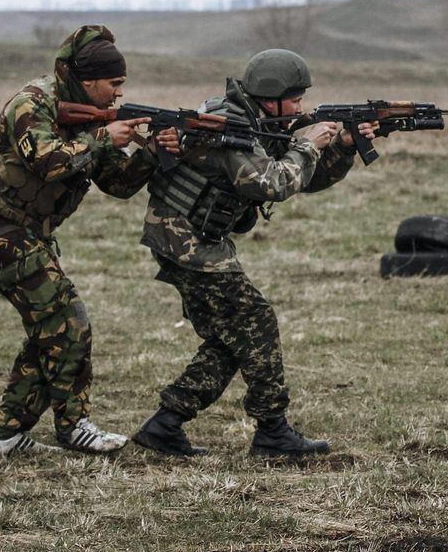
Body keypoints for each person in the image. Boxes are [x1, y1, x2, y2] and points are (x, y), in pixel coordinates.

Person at [132, 49, 376, 458]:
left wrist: (343, 148)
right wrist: (310, 144)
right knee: (256, 322)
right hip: (185, 240)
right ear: (271, 95)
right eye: (295, 99)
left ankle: (165, 424)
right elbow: (270, 184)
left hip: (195, 238)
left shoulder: (256, 120)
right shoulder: (230, 125)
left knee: (235, 336)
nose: (301, 107)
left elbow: (300, 180)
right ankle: (273, 432)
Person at [0, 25, 175, 456]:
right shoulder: (32, 104)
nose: (117, 95)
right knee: (69, 321)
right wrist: (99, 140)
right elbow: (48, 161)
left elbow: (117, 182)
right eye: (113, 84)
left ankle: (7, 435)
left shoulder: (94, 119)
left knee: (51, 328)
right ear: (88, 80)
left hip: (24, 232)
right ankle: (75, 427)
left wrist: (154, 153)